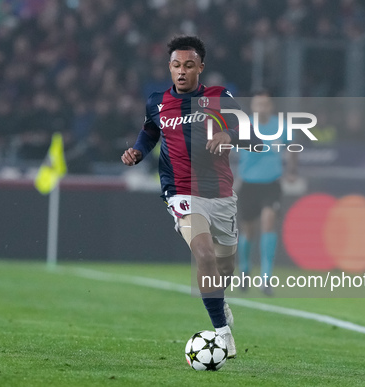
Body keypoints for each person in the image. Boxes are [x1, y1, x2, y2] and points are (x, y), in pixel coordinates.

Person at [121, 36, 258, 359]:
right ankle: (222, 334)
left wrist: (228, 134)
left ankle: (218, 301)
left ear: (201, 68)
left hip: (221, 194)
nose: (181, 72)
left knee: (224, 267)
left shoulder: (219, 97)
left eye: (188, 65)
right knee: (203, 253)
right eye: (176, 65)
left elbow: (253, 136)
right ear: (170, 67)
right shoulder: (156, 102)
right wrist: (138, 152)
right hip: (181, 190)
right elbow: (150, 132)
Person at [237, 91, 297, 296]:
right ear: (253, 107)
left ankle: (266, 277)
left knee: (269, 222)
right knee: (248, 230)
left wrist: (291, 171)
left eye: (265, 104)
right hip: (248, 183)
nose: (262, 108)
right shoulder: (243, 126)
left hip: (272, 183)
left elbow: (291, 149)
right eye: (258, 104)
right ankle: (245, 268)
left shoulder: (281, 126)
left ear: (270, 106)